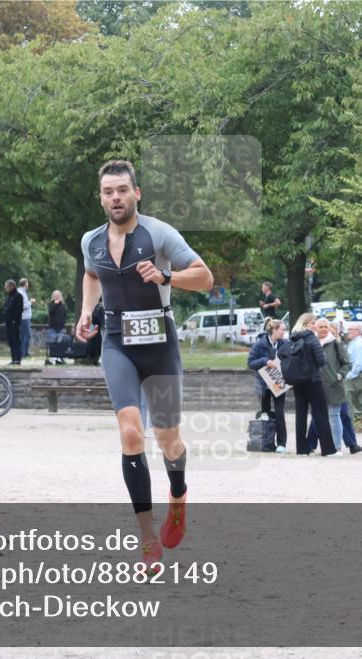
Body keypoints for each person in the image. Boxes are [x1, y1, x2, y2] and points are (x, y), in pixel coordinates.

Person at [76, 159, 213, 573]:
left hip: (159, 344)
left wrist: (166, 278)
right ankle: (147, 539)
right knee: (130, 430)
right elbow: (91, 275)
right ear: (100, 198)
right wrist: (87, 312)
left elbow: (204, 277)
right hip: (117, 343)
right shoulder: (91, 241)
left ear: (137, 193)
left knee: (168, 440)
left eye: (122, 190)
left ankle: (178, 495)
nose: (115, 197)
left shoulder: (159, 234)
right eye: (107, 192)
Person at [307, 318, 362, 455]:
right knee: (317, 416)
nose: (323, 329)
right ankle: (311, 445)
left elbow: (347, 363)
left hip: (333, 386)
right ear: (315, 328)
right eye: (320, 327)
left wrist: (339, 375)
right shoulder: (311, 343)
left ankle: (336, 447)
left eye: (325, 327)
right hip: (315, 385)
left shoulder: (335, 344)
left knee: (334, 415)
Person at [287, 313, 338, 456]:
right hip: (313, 380)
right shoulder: (311, 338)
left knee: (301, 415)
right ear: (307, 324)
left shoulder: (293, 338)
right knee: (320, 414)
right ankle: (328, 450)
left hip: (298, 381)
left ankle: (301, 449)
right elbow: (321, 361)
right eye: (314, 322)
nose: (316, 325)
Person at [247, 317, 289, 453]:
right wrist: (265, 361)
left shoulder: (285, 344)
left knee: (280, 413)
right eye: (282, 330)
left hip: (278, 382)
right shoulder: (260, 344)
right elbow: (250, 363)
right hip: (263, 383)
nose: (284, 332)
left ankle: (282, 443)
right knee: (265, 413)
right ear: (274, 330)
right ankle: (266, 442)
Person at [2, 280, 24, 365]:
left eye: (6, 286)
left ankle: (17, 359)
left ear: (11, 286)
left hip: (14, 322)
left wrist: (15, 320)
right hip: (8, 322)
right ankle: (13, 358)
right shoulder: (9, 296)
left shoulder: (18, 296)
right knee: (11, 341)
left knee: (16, 340)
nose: (5, 288)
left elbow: (19, 310)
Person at [47, 290, 68, 365]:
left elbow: (65, 315)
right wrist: (55, 304)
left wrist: (63, 322)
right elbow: (50, 312)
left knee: (61, 343)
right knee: (52, 343)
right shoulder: (51, 304)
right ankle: (53, 358)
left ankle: (60, 358)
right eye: (55, 295)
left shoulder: (63, 305)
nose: (57, 296)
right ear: (53, 296)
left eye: (58, 295)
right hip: (52, 327)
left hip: (61, 327)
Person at [18, 278, 35, 359]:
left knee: (23, 335)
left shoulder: (22, 292)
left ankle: (22, 353)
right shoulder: (21, 293)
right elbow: (22, 306)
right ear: (25, 284)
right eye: (27, 283)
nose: (28, 285)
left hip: (24, 317)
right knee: (27, 335)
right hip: (24, 317)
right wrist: (30, 302)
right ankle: (24, 353)